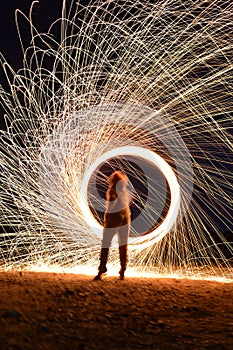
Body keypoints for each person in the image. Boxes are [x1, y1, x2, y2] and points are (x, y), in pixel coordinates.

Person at [94, 170, 131, 280]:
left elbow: (112, 205)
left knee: (106, 243)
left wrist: (107, 218)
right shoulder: (125, 191)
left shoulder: (112, 191)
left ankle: (102, 268)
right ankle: (123, 270)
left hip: (115, 218)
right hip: (126, 218)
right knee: (123, 245)